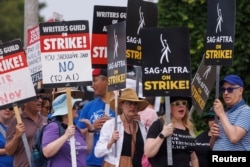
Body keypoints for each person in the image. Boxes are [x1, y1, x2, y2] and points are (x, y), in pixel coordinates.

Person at [94, 88, 149, 167]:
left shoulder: (142, 126)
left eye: (135, 103)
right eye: (129, 103)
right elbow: (97, 152)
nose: (132, 106)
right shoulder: (111, 125)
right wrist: (111, 141)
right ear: (121, 105)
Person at [144, 96, 199, 167]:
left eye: (184, 103)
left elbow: (193, 158)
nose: (181, 105)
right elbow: (148, 152)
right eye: (177, 103)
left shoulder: (188, 127)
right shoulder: (160, 124)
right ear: (169, 108)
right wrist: (162, 135)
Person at [42, 93, 94, 166]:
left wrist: (90, 131)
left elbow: (87, 150)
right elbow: (47, 152)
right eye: (73, 107)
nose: (77, 108)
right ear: (65, 111)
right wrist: (65, 136)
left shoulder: (75, 128)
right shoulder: (53, 126)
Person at [77, 68, 115, 167]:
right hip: (91, 161)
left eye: (95, 81)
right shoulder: (88, 106)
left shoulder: (121, 105)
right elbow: (77, 135)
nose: (92, 85)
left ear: (106, 81)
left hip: (113, 161)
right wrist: (92, 128)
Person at [5, 95, 47, 167]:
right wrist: (16, 136)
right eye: (36, 98)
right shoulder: (16, 122)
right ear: (25, 102)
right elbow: (8, 151)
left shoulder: (45, 120)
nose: (40, 100)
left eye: (41, 98)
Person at [210, 74, 250, 150]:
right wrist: (213, 137)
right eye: (223, 89)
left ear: (240, 91)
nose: (225, 93)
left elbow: (234, 137)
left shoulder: (246, 111)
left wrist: (221, 114)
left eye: (230, 89)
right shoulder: (226, 114)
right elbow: (212, 147)